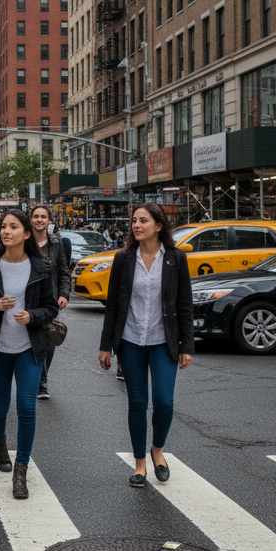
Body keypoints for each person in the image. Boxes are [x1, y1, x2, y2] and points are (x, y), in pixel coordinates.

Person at [97, 202, 194, 488]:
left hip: (164, 342)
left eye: (143, 221)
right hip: (130, 342)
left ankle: (158, 450)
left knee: (164, 402)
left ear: (159, 225)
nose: (136, 225)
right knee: (137, 403)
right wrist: (106, 346)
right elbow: (113, 305)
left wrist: (187, 345)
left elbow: (185, 305)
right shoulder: (124, 258)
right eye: (134, 221)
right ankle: (140, 463)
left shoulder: (176, 258)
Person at [0, 209, 59, 500]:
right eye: (3, 227)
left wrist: (31, 316)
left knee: (27, 408)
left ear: (25, 233)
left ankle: (21, 470)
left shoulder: (42, 266)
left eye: (13, 226)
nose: (6, 231)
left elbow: (50, 308)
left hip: (29, 349)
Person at [27, 204, 71, 400]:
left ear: (48, 220)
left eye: (43, 216)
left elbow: (64, 271)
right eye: (35, 216)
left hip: (50, 299)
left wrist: (64, 294)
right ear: (30, 220)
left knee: (49, 339)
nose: (39, 220)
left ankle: (41, 382)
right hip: (27, 298)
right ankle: (31, 379)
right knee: (28, 340)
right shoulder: (24, 241)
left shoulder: (56, 243)